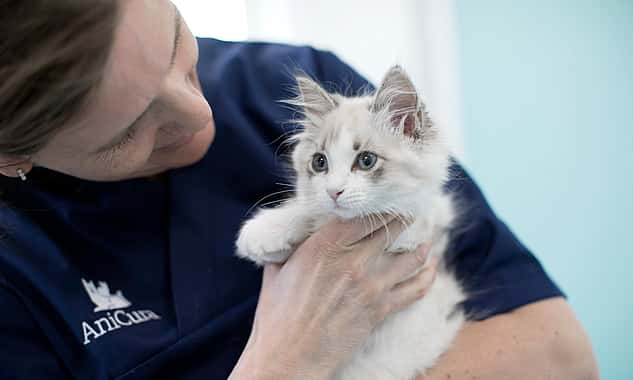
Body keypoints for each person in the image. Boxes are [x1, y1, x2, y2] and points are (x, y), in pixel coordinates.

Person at [0, 1, 598, 379]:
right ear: (12, 157)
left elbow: (563, 356)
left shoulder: (284, 83)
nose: (198, 110)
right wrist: (287, 362)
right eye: (131, 128)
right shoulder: (15, 274)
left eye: (178, 46)